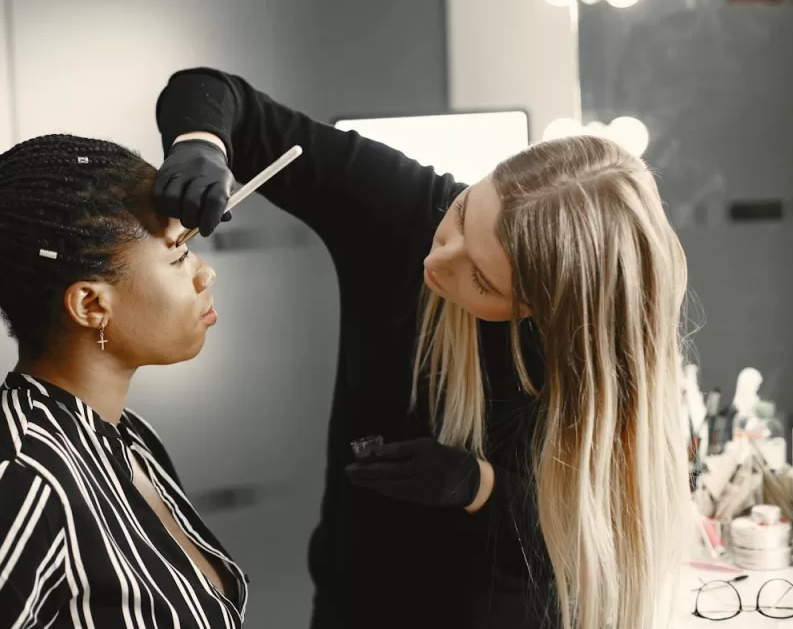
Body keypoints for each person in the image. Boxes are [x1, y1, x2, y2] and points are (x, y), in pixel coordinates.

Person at [152, 69, 691, 629]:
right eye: (461, 216)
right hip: (354, 599)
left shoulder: (595, 351)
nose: (437, 261)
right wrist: (201, 143)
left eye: (480, 280)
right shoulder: (411, 210)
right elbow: (216, 93)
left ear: (539, 311)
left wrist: (482, 486)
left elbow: (605, 536)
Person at [0, 134, 248, 629]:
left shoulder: (131, 438)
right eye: (178, 255)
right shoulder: (16, 488)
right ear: (89, 305)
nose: (205, 273)